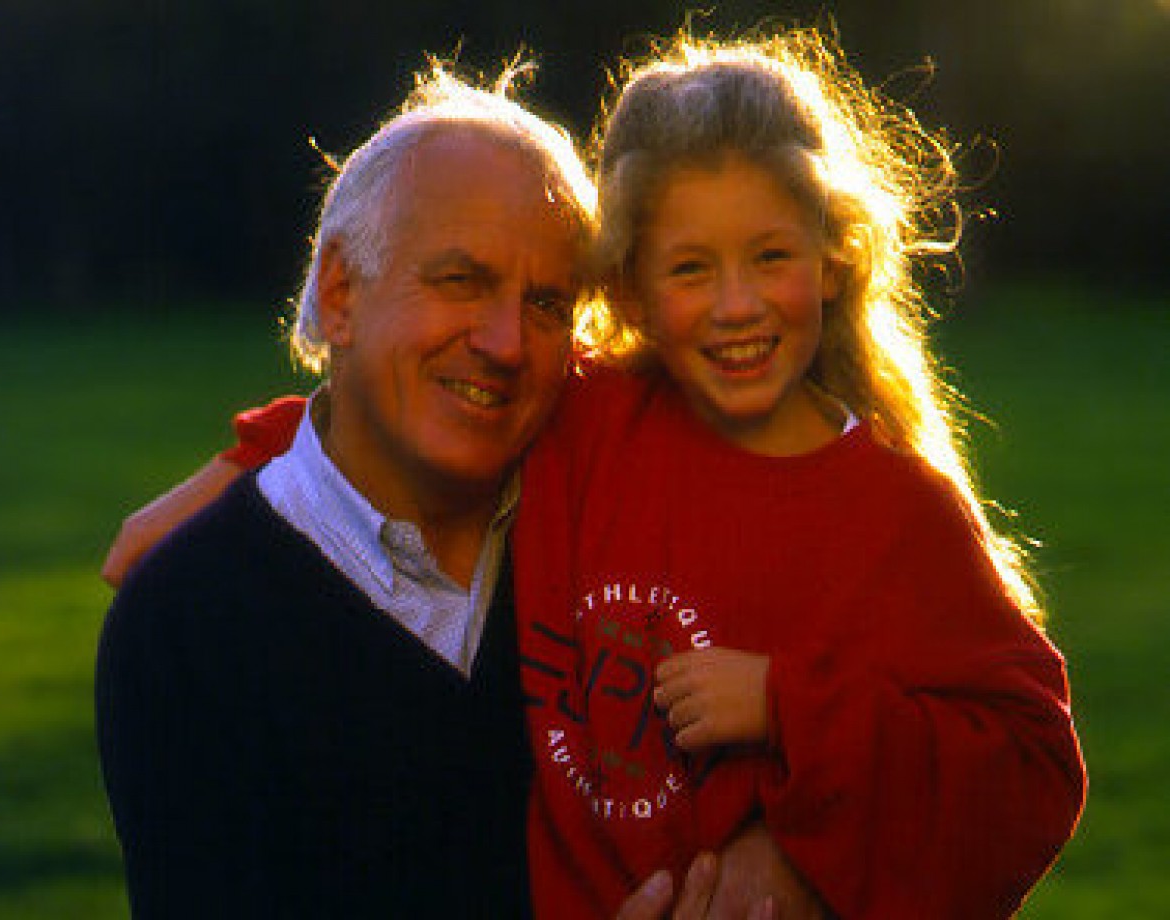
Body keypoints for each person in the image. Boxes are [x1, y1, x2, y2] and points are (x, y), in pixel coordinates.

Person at [103, 29, 1086, 920]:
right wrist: (254, 457)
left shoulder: (876, 505)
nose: (736, 305)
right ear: (635, 292)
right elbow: (405, 403)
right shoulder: (592, 428)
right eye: (692, 268)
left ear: (833, 260)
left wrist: (798, 790)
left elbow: (1030, 764)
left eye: (772, 257)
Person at [96, 61, 817, 919]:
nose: (507, 343)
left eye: (548, 304)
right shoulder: (186, 623)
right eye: (461, 281)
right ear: (340, 291)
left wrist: (795, 854)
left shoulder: (617, 523)